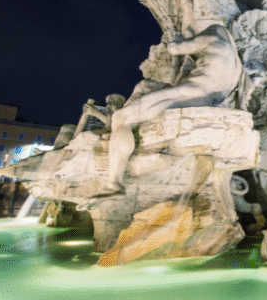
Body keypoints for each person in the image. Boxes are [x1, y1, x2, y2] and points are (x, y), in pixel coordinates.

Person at [97, 24, 244, 195]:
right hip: (206, 97)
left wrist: (176, 39)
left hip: (189, 93)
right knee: (145, 85)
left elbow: (175, 49)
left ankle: (114, 183)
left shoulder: (211, 38)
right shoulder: (234, 60)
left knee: (121, 117)